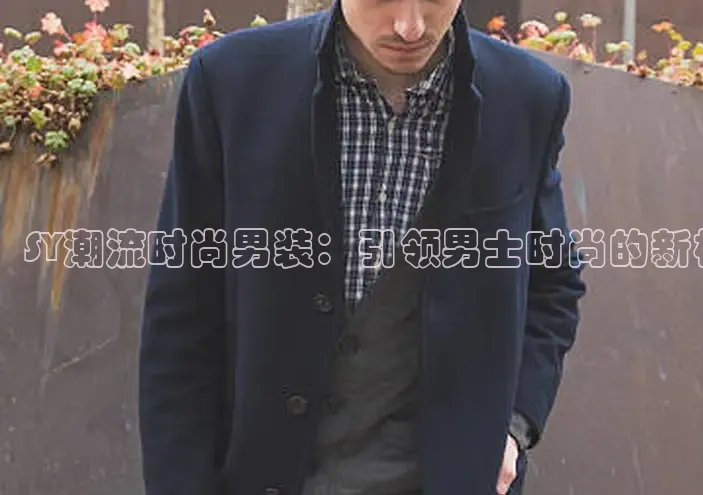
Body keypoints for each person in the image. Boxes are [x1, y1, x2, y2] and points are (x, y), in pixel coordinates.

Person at [137, 0, 587, 493]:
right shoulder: (233, 81)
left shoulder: (527, 96)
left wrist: (513, 425)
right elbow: (182, 307)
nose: (410, 27)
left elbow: (553, 282)